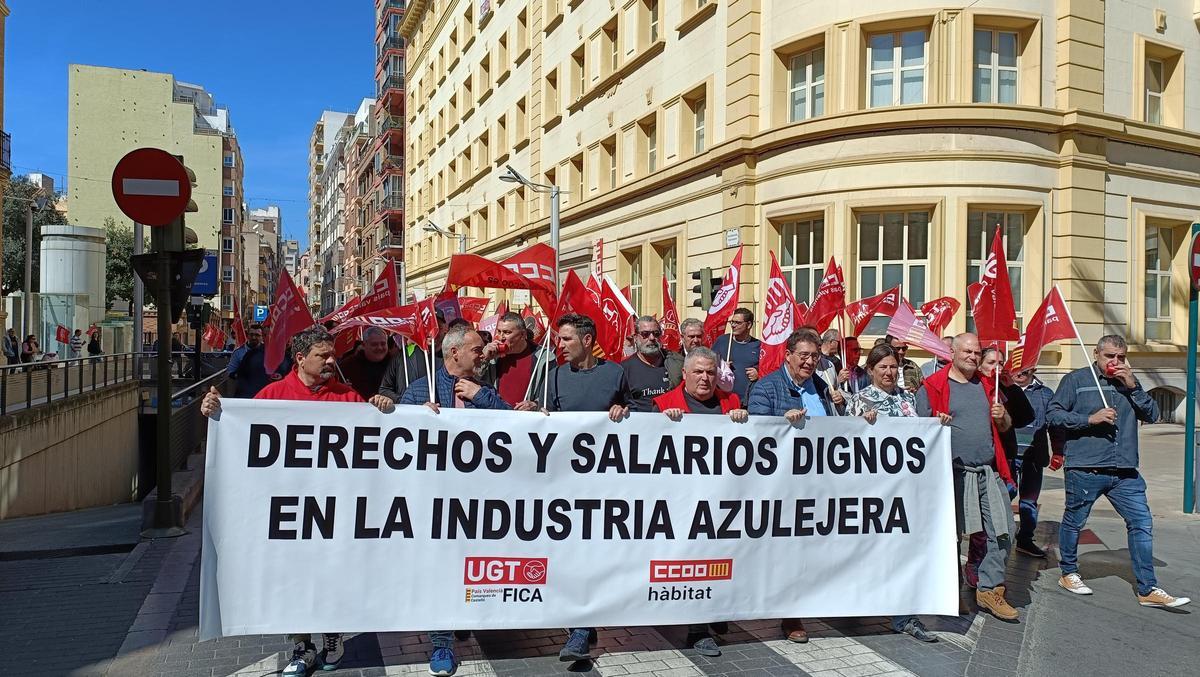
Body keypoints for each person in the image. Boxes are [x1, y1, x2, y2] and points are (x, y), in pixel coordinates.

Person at [201, 327, 394, 675]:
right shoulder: (272, 396)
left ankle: (332, 635)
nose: (332, 361)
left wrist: (381, 407)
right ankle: (301, 646)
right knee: (292, 577)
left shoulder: (348, 398)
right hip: (289, 513)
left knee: (333, 573)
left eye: (333, 355)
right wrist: (217, 411)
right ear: (301, 358)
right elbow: (241, 434)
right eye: (324, 356)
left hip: (334, 511)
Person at [1047, 334, 1189, 608]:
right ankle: (1068, 572)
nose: (1115, 361)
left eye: (1121, 357)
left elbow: (1152, 414)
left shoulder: (1129, 382)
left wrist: (1133, 386)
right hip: (1086, 467)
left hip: (1124, 469)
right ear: (1096, 354)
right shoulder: (1076, 380)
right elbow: (1053, 414)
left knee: (1141, 522)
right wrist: (1089, 419)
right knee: (1075, 521)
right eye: (1110, 356)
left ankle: (1148, 588)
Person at [399, 323, 508, 677]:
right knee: (440, 571)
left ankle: (460, 616)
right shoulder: (420, 390)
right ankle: (441, 643)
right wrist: (415, 418)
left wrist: (483, 397)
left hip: (478, 500)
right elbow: (397, 441)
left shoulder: (484, 387)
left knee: (469, 567)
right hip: (435, 501)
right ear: (454, 352)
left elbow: (512, 429)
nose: (482, 354)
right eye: (476, 349)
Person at [525, 313, 629, 664]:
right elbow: (550, 422)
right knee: (570, 557)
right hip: (565, 486)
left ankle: (582, 629)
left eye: (567, 339)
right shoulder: (553, 376)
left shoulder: (615, 373)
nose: (561, 345)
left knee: (590, 557)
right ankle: (581, 626)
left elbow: (640, 418)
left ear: (586, 341)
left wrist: (624, 410)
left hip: (605, 486)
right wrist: (534, 413)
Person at [746, 328, 843, 643]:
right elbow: (756, 428)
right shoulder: (767, 387)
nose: (810, 361)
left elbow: (836, 429)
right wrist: (780, 423)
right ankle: (790, 615)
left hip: (819, 481)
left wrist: (847, 411)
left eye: (815, 356)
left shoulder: (821, 386)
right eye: (804, 355)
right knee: (787, 549)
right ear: (787, 355)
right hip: (783, 485)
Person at [916, 333, 1020, 622]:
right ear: (952, 352)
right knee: (951, 536)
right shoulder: (933, 386)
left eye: (976, 353)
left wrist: (1002, 417)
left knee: (1003, 530)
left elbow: (1006, 426)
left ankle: (989, 589)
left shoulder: (988, 385)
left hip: (988, 471)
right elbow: (918, 432)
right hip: (953, 473)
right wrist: (934, 424)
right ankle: (950, 592)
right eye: (968, 352)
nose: (973, 358)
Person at [653, 346, 748, 657]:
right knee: (695, 566)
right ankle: (696, 631)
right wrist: (663, 425)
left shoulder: (731, 402)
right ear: (685, 374)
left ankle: (715, 614)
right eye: (698, 372)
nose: (705, 378)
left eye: (710, 372)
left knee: (723, 564)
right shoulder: (664, 405)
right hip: (684, 504)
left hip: (723, 502)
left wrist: (743, 420)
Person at [849, 344, 938, 643]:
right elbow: (846, 443)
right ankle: (856, 600)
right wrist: (861, 425)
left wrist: (938, 427)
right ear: (871, 370)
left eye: (892, 367)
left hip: (906, 490)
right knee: (869, 550)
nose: (888, 372)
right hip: (872, 492)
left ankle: (904, 615)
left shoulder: (908, 398)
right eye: (882, 367)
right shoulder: (859, 401)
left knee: (904, 552)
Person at [1010, 367, 1061, 559]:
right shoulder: (1001, 390)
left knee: (1029, 501)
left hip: (1034, 455)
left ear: (1034, 369)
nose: (1021, 372)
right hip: (1008, 455)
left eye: (1025, 368)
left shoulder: (1045, 394)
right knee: (1005, 496)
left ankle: (1025, 539)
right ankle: (999, 538)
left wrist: (1058, 451)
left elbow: (1055, 425)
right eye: (1017, 368)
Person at [378, 310, 448, 403]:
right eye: (427, 326)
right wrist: (407, 401)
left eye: (437, 326)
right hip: (409, 415)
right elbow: (384, 389)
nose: (432, 331)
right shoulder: (403, 357)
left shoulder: (451, 358)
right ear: (419, 329)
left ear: (444, 329)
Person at [621, 316, 684, 412]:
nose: (652, 338)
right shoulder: (624, 369)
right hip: (641, 425)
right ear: (636, 337)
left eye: (656, 334)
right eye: (645, 334)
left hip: (673, 424)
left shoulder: (677, 362)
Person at [490, 312, 552, 406]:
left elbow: (552, 393)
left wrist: (535, 404)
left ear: (523, 334)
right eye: (499, 331)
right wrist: (483, 358)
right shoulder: (493, 357)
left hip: (526, 418)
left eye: (507, 332)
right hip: (498, 416)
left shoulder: (544, 357)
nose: (501, 337)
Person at [226, 324, 288, 399]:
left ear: (262, 337)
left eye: (257, 335)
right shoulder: (241, 353)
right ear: (247, 335)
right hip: (248, 395)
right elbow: (232, 373)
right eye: (251, 334)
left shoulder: (274, 354)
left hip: (267, 395)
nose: (254, 337)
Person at [710, 307, 760, 401]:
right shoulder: (722, 341)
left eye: (737, 323)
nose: (733, 325)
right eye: (732, 322)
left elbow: (768, 368)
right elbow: (708, 362)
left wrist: (758, 372)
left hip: (748, 399)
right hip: (724, 399)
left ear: (748, 325)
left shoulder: (758, 345)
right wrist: (722, 367)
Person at [337, 327, 393, 400]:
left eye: (383, 344)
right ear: (364, 345)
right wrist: (343, 388)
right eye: (374, 344)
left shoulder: (395, 364)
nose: (379, 347)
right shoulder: (348, 365)